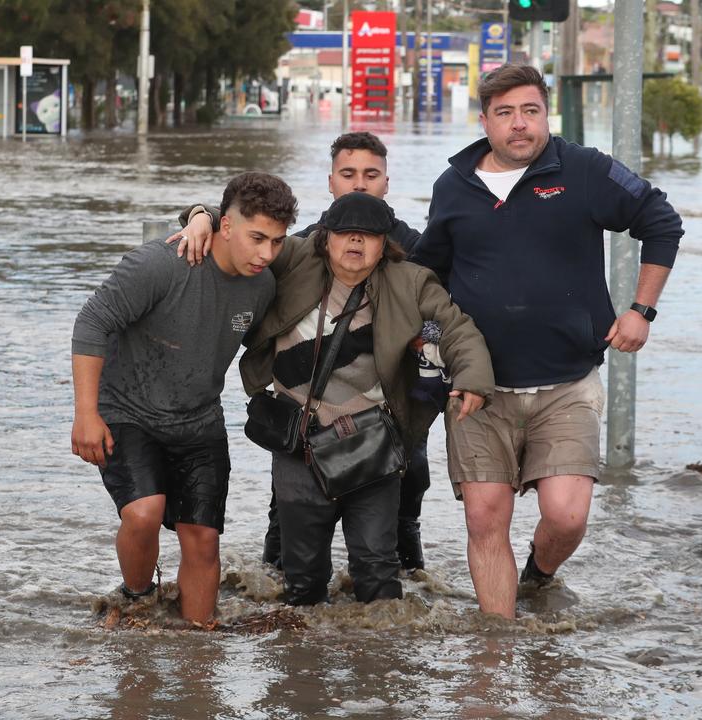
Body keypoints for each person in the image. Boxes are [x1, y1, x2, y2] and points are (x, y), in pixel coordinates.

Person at [412, 64, 685, 619]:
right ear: (485, 121)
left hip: (566, 383)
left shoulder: (582, 170)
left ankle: (539, 575)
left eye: (530, 111)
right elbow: (427, 275)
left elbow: (661, 220)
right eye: (506, 113)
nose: (520, 125)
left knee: (566, 517)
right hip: (478, 389)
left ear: (546, 115)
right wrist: (426, 343)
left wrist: (641, 309)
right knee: (486, 520)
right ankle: (495, 653)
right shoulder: (453, 186)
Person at [195, 191, 493, 606]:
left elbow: (457, 330)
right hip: (298, 441)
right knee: (303, 580)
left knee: (377, 571)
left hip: (372, 443)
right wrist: (199, 218)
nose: (356, 243)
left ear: (384, 244)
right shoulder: (293, 258)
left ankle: (379, 664)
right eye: (346, 234)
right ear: (325, 238)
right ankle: (302, 665)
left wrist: (473, 379)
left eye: (368, 236)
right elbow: (240, 230)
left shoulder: (411, 281)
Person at [177, 131, 435, 572]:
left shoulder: (411, 248)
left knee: (404, 501)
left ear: (387, 183)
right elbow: (243, 232)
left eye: (370, 175)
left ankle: (404, 588)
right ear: (331, 181)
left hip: (387, 403)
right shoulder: (302, 245)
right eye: (348, 173)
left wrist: (425, 335)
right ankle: (280, 591)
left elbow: (442, 304)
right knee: (289, 510)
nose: (359, 184)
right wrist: (200, 214)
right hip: (307, 412)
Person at [70, 172, 298, 626]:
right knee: (144, 511)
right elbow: (92, 322)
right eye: (257, 238)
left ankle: (199, 646)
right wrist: (85, 414)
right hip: (128, 411)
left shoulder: (262, 286)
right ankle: (137, 596)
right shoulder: (160, 264)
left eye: (276, 242)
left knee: (203, 538)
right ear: (225, 227)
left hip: (198, 421)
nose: (266, 254)